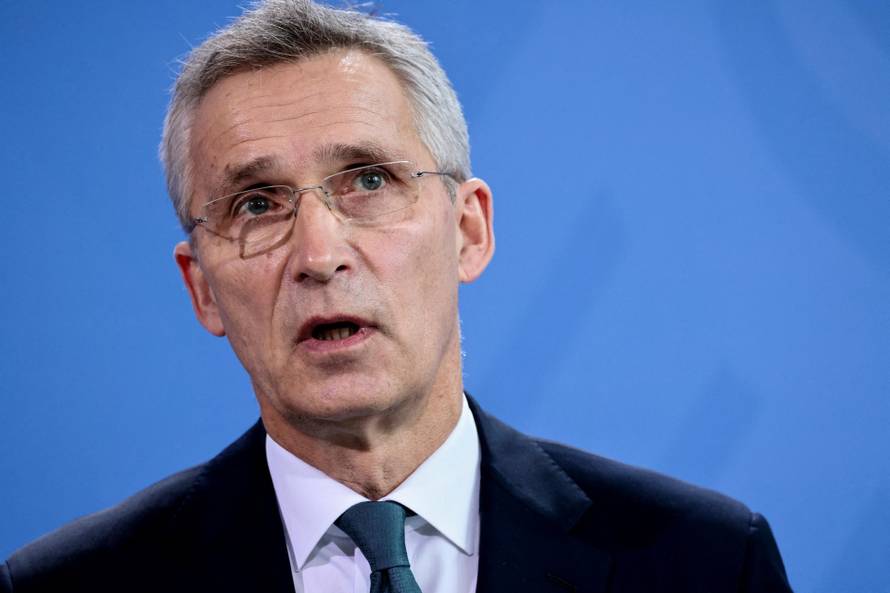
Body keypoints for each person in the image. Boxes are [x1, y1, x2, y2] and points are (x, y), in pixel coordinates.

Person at [1, 1, 793, 592]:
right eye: (257, 204)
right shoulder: (65, 587)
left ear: (469, 230)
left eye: (370, 180)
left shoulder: (706, 562)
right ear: (202, 287)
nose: (318, 254)